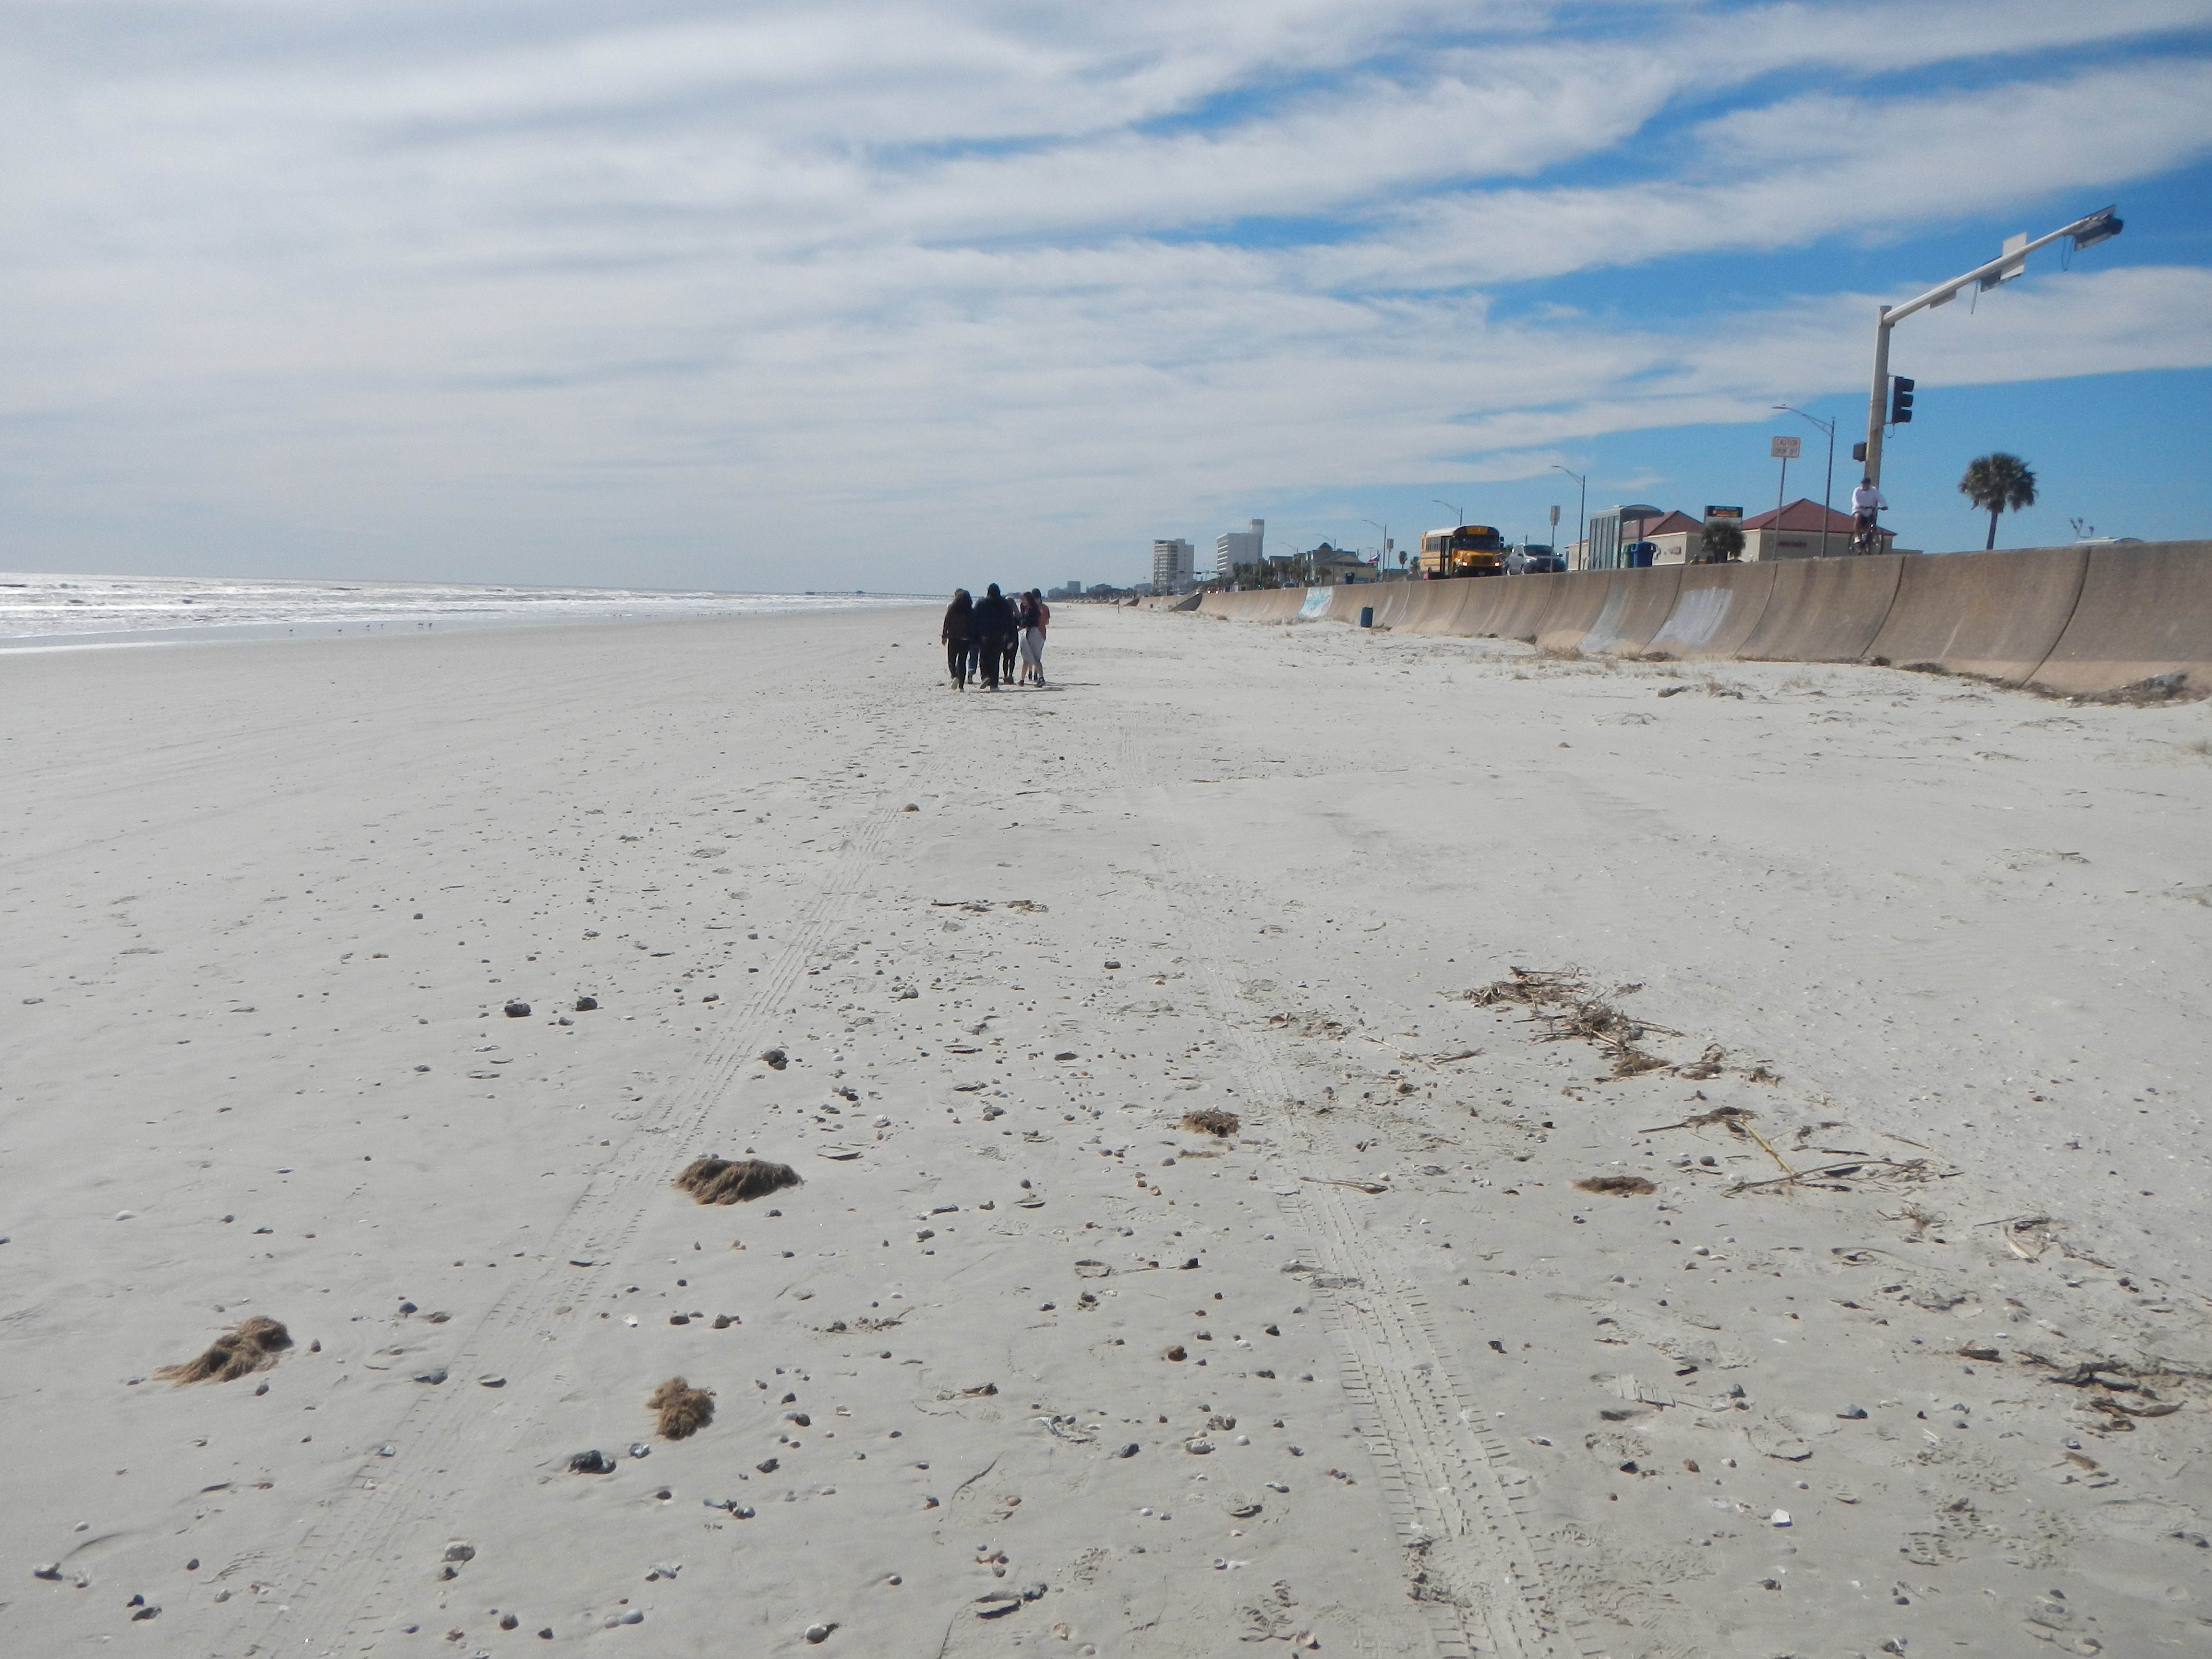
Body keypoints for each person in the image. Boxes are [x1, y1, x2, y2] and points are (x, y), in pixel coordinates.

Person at [972, 583, 1015, 690]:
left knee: (984, 658)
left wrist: (974, 635)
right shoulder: (1005, 604)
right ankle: (994, 684)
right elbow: (1011, 621)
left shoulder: (981, 603)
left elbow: (975, 619)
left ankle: (985, 677)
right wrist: (1012, 637)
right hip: (1000, 636)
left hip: (984, 636)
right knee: (995, 659)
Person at [940, 589, 975, 689]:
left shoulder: (952, 609)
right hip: (966, 640)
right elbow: (974, 626)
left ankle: (955, 676)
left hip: (954, 638)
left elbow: (946, 623)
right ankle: (961, 687)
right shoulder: (971, 612)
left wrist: (944, 636)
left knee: (952, 660)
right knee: (962, 663)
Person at [1017, 589, 1049, 685]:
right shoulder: (1039, 608)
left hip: (1034, 633)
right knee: (1029, 656)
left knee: (1031, 657)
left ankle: (1036, 677)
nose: (1022, 602)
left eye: (1023, 600)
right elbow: (1047, 622)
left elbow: (1026, 623)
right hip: (1039, 633)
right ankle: (1025, 679)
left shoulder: (1032, 610)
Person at [1849, 477, 1887, 552]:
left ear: (1869, 484)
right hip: (1859, 510)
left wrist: (1884, 505)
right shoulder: (1857, 490)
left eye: (1866, 484)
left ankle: (1869, 540)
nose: (1864, 486)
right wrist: (1859, 505)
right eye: (1863, 484)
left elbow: (1880, 498)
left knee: (1872, 525)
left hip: (1870, 510)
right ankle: (1857, 537)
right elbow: (1854, 499)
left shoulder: (1874, 491)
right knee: (1858, 517)